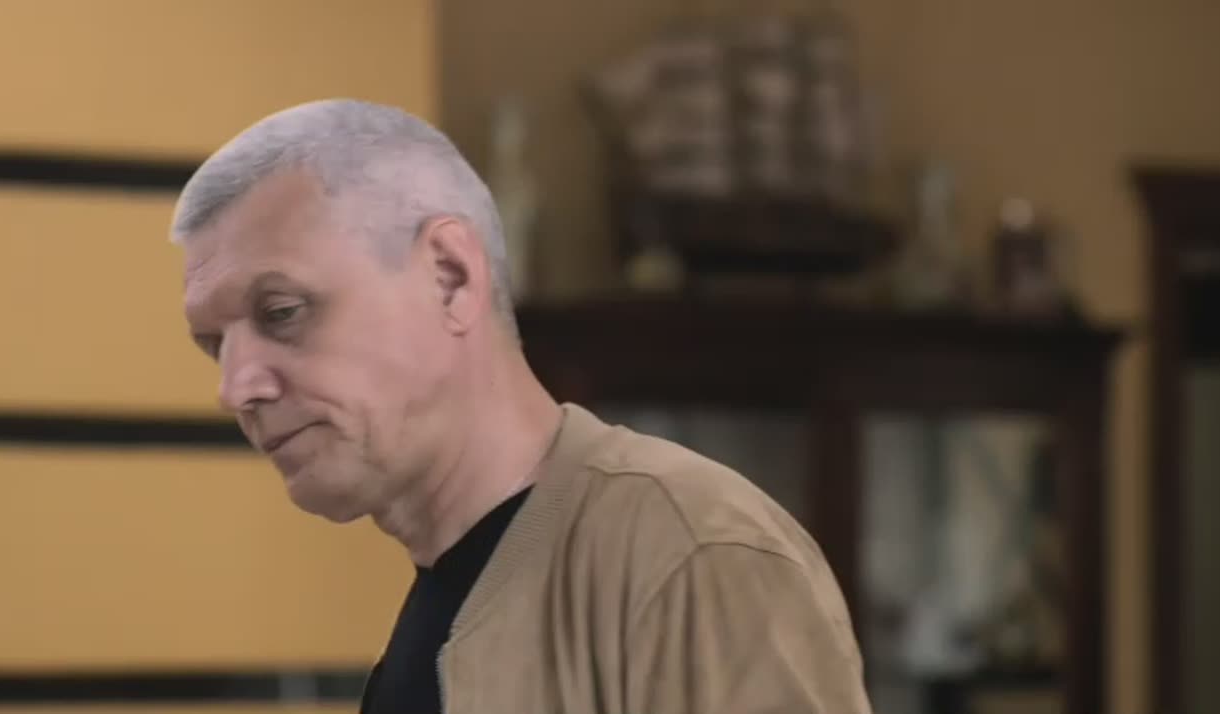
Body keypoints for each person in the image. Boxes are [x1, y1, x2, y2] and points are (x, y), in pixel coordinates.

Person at [170, 98, 873, 714]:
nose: (236, 387)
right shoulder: (445, 601)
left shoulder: (693, 556)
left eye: (282, 312)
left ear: (450, 276)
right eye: (214, 345)